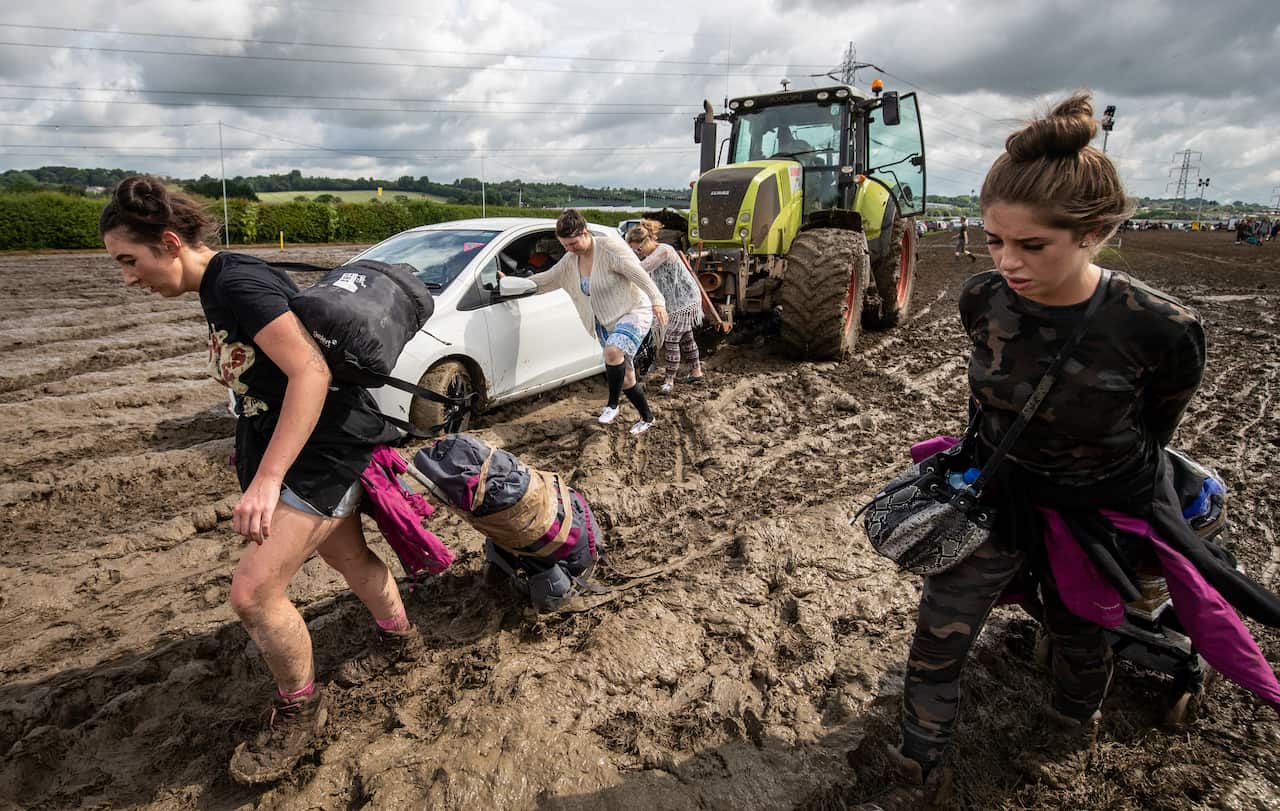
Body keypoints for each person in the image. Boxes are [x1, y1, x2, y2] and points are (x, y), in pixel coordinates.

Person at [873, 94, 1280, 807]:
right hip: (998, 497)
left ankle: (1068, 727)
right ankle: (917, 765)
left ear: (1095, 231)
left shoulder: (1159, 328)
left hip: (1095, 514)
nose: (1007, 262)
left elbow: (1159, 424)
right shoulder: (984, 300)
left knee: (1080, 631)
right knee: (938, 633)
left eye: (1032, 245)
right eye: (994, 240)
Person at [99, 177, 425, 785]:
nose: (128, 278)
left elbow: (310, 373)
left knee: (252, 592)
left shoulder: (237, 284)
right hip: (311, 448)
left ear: (169, 243)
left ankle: (302, 710)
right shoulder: (215, 286)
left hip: (323, 454)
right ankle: (401, 639)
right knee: (350, 559)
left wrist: (268, 481)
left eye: (129, 260)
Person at [408, 434, 603, 611]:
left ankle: (555, 591)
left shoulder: (493, 502)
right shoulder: (497, 475)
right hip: (571, 514)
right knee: (503, 538)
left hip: (573, 551)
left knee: (548, 591)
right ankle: (510, 571)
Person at [527, 209, 668, 434]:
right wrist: (517, 285)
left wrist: (657, 301)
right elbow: (549, 278)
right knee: (627, 378)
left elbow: (639, 274)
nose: (569, 249)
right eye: (564, 245)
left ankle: (612, 405)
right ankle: (647, 418)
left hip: (633, 311)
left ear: (584, 232)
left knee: (612, 351)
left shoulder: (610, 248)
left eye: (572, 243)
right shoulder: (571, 258)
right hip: (605, 321)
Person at [626, 220, 704, 393]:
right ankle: (696, 371)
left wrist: (622, 270)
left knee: (671, 338)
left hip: (685, 301)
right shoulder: (653, 254)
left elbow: (641, 270)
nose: (638, 253)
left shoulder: (663, 251)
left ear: (647, 242)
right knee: (686, 338)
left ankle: (669, 380)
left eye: (638, 249)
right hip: (675, 302)